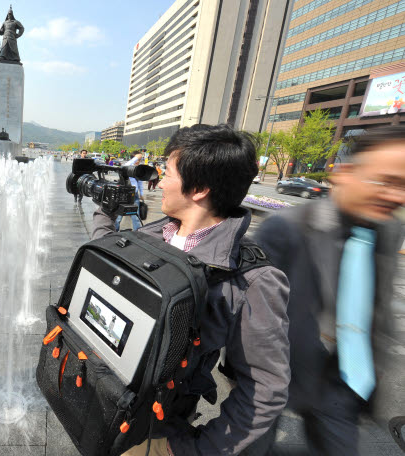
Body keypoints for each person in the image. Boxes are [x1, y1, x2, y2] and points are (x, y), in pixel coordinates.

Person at [92, 124, 290, 455]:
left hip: (154, 431)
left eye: (167, 171)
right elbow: (104, 263)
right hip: (106, 403)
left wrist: (188, 449)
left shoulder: (254, 280)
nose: (160, 180)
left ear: (198, 188)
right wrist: (105, 210)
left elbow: (265, 388)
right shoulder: (156, 235)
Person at [251, 125, 405, 455]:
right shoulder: (287, 229)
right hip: (277, 376)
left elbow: (377, 304)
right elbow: (248, 311)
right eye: (384, 181)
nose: (395, 196)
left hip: (341, 381)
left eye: (403, 186)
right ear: (346, 174)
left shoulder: (389, 229)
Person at [114, 151, 145, 231]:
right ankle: (114, 232)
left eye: (139, 159)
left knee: (136, 216)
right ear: (133, 159)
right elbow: (124, 166)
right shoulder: (127, 167)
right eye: (137, 159)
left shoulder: (139, 169)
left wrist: (141, 194)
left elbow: (140, 183)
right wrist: (136, 158)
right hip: (124, 195)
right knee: (118, 216)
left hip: (134, 196)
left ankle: (137, 234)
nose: (138, 161)